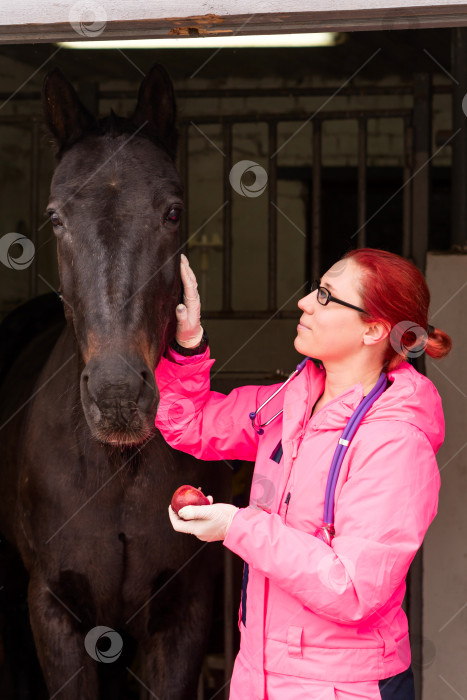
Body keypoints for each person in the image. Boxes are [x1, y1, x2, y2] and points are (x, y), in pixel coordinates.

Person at [154, 248, 452, 700]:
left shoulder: (396, 441)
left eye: (328, 297)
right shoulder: (291, 401)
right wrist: (188, 339)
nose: (305, 302)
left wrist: (237, 525)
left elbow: (352, 588)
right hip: (259, 675)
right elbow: (187, 422)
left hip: (344, 687)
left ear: (374, 329)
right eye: (317, 289)